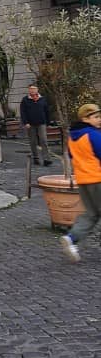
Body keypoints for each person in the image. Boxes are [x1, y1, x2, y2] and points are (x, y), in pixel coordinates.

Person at [62, 102, 101, 262]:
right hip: (98, 178)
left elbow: (72, 156)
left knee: (92, 214)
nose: (99, 120)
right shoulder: (94, 135)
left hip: (83, 180)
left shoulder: (72, 137)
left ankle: (71, 238)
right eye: (96, 117)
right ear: (85, 118)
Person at [19, 84, 53, 167]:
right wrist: (25, 122)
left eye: (34, 89)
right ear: (29, 90)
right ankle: (36, 158)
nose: (32, 90)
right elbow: (23, 112)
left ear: (37, 90)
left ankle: (46, 159)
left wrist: (48, 123)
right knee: (33, 141)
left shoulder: (42, 99)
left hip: (42, 123)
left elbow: (46, 111)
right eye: (31, 89)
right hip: (30, 124)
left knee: (43, 140)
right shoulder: (25, 100)